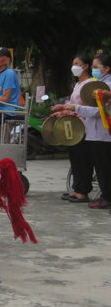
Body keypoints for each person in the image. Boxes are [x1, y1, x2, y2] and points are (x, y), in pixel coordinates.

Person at [60, 53, 111, 210]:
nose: (94, 69)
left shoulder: (105, 86)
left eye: (97, 67)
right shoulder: (97, 83)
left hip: (102, 133)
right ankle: (104, 195)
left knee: (104, 168)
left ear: (107, 68)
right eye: (94, 66)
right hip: (92, 132)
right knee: (100, 167)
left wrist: (76, 108)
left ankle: (106, 197)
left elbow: (98, 110)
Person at [50, 55, 94, 202]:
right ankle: (77, 188)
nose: (73, 66)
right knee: (75, 158)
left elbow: (88, 106)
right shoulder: (77, 84)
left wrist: (68, 108)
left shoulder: (90, 84)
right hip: (73, 126)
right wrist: (62, 111)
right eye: (73, 63)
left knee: (83, 159)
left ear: (85, 66)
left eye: (77, 63)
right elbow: (72, 103)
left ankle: (84, 190)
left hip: (84, 127)